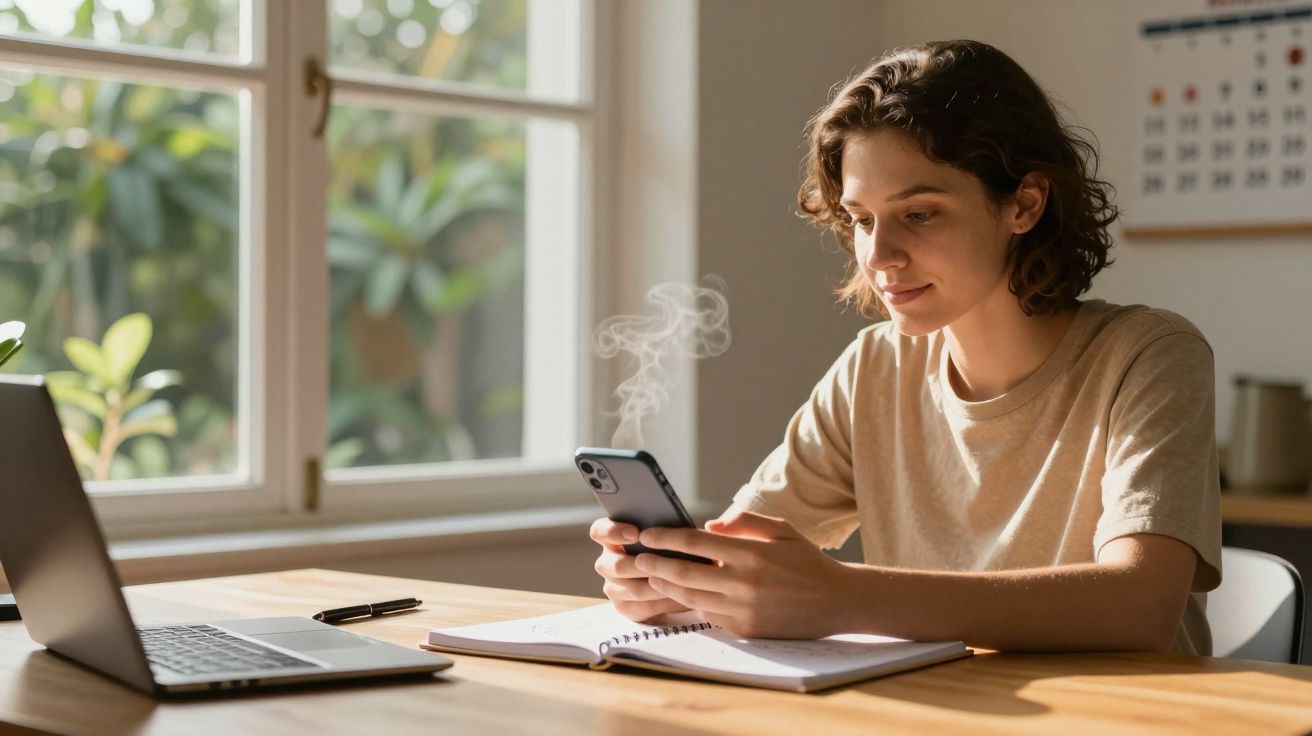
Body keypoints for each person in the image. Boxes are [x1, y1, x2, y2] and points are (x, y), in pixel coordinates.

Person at [590, 40, 1221, 654]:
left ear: (1024, 204)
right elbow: (752, 557)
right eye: (862, 219)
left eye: (919, 213)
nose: (879, 256)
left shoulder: (1149, 354)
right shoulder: (874, 367)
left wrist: (841, 596)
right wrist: (675, 580)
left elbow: (1141, 604)